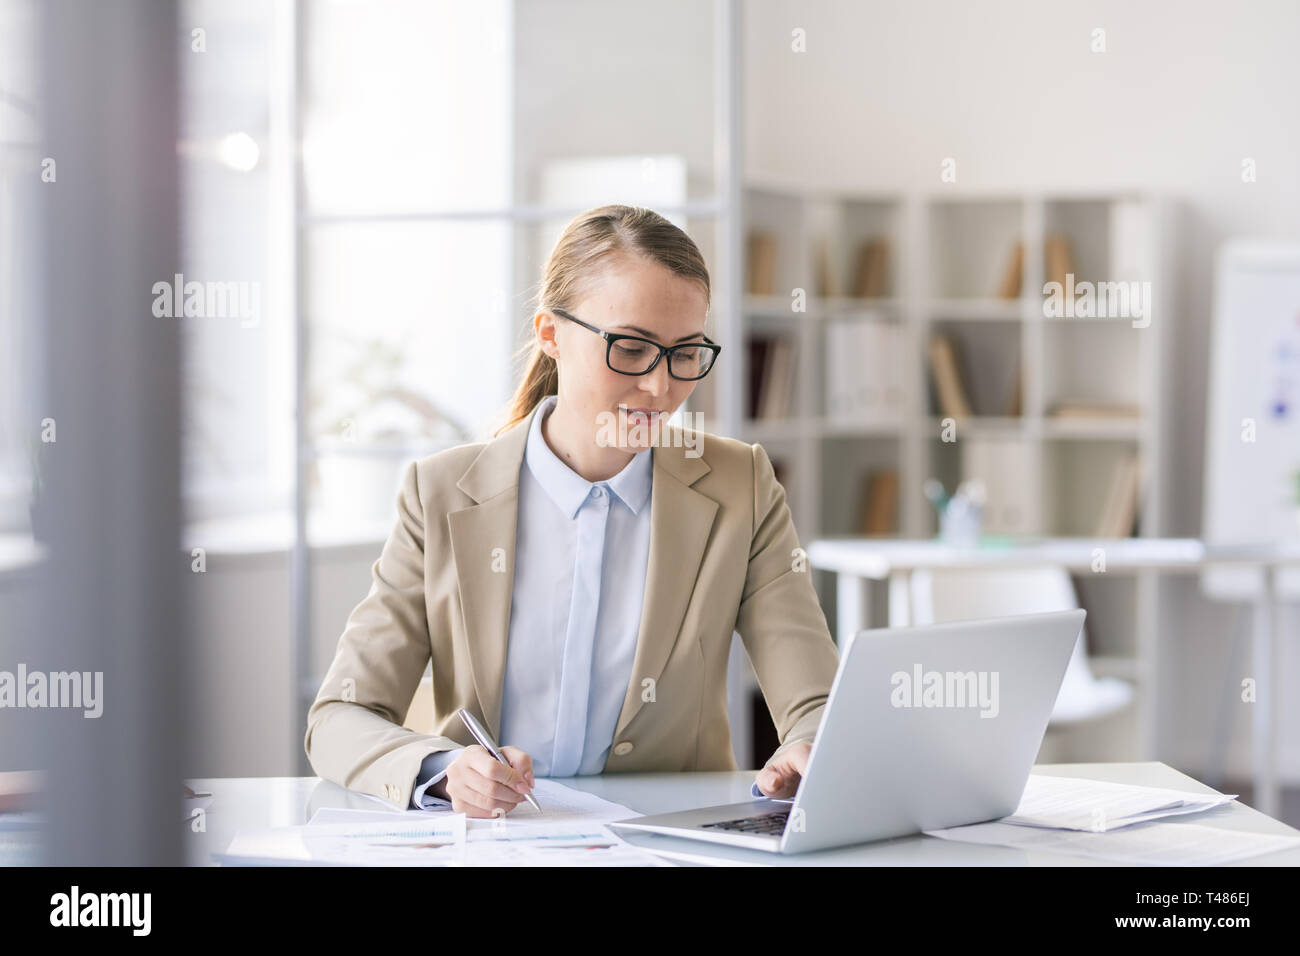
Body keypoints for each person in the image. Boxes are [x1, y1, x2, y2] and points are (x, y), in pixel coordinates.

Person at [305, 204, 839, 818]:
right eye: (632, 348)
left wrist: (808, 745)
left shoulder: (739, 485)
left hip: (669, 846)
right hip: (492, 846)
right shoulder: (442, 493)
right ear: (551, 334)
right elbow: (342, 715)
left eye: (685, 352)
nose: (662, 388)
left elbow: (817, 701)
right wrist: (444, 770)